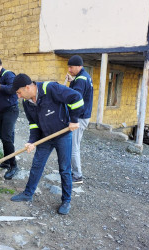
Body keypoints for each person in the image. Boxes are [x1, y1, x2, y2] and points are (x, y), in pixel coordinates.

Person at [10, 73, 84, 215]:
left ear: (27, 87)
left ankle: (66, 200)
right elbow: (33, 124)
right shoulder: (27, 103)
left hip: (62, 134)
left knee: (64, 168)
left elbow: (77, 98)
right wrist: (32, 141)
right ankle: (27, 193)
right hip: (45, 137)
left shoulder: (50, 88)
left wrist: (74, 119)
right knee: (37, 164)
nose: (18, 96)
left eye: (19, 93)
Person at [65, 55, 93, 184]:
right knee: (74, 145)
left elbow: (75, 98)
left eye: (71, 67)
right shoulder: (84, 76)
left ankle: (77, 176)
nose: (69, 70)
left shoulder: (81, 80)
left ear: (78, 66)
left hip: (79, 118)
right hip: (83, 116)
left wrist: (73, 120)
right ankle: (74, 172)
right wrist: (72, 81)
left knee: (73, 147)